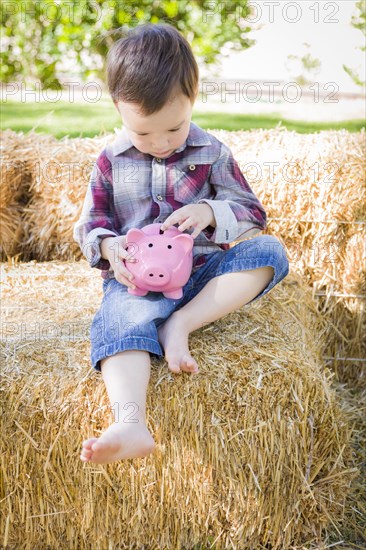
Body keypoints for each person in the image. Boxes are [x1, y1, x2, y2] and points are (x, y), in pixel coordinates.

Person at [73, 22, 289, 464]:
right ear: (118, 109)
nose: (160, 145)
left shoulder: (212, 152)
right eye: (143, 134)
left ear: (193, 98)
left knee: (270, 252)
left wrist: (212, 212)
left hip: (203, 275)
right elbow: (91, 224)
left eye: (173, 129)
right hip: (137, 283)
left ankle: (181, 324)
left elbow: (252, 213)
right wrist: (111, 250)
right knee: (120, 325)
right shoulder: (109, 161)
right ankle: (130, 422)